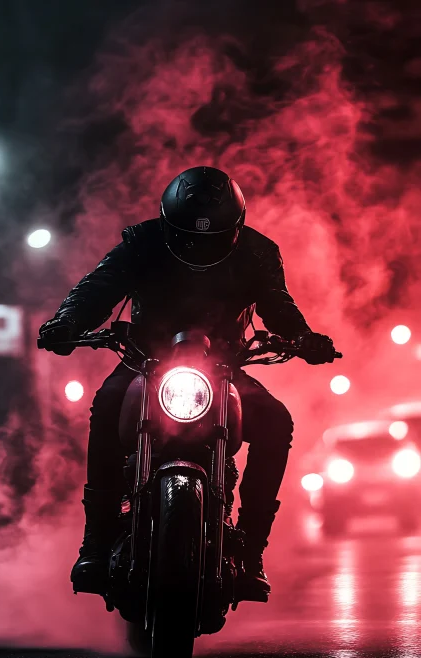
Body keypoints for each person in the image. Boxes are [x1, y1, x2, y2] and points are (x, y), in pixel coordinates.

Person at [39, 166, 336, 600]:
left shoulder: (257, 252)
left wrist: (304, 338)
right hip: (145, 363)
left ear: (235, 227)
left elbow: (277, 303)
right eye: (187, 237)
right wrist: (67, 322)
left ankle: (252, 549)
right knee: (106, 407)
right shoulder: (141, 242)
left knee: (276, 422)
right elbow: (97, 287)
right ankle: (97, 542)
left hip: (224, 368)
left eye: (213, 238)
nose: (199, 247)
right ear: (167, 223)